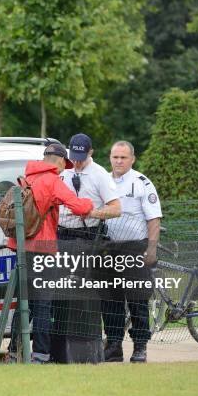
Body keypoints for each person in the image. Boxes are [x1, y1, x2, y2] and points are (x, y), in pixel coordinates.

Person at [7, 143, 94, 363]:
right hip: (43, 249)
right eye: (64, 165)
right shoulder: (52, 180)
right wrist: (90, 202)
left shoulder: (27, 177)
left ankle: (13, 351)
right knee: (43, 304)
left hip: (20, 246)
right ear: (59, 162)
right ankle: (41, 354)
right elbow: (79, 207)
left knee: (23, 303)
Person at [51, 133, 121, 363]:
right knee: (61, 294)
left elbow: (116, 209)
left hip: (88, 238)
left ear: (90, 153)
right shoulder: (63, 171)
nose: (77, 162)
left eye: (81, 157)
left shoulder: (100, 175)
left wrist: (91, 212)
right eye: (74, 156)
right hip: (62, 237)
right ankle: (59, 352)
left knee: (83, 296)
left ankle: (85, 351)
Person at [102, 141, 162, 363]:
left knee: (137, 301)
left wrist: (151, 249)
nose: (118, 161)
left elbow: (154, 218)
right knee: (110, 301)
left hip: (135, 249)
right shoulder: (104, 181)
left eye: (123, 158)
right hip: (110, 250)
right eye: (115, 157)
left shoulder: (141, 183)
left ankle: (140, 347)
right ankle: (114, 346)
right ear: (110, 157)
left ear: (132, 159)